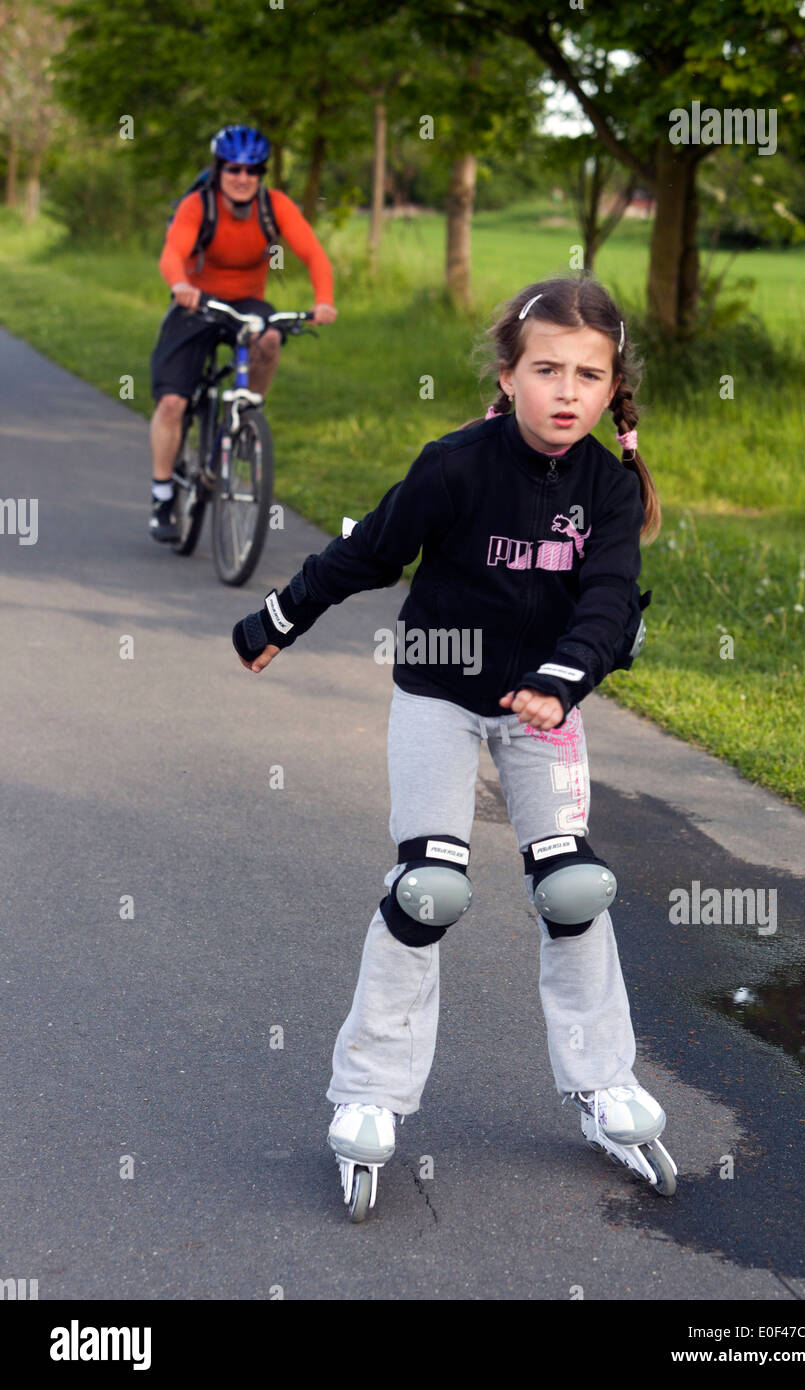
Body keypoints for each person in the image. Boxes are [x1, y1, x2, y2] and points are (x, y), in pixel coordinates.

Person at [232, 274, 671, 1203]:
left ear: (611, 389)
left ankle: (601, 1080)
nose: (565, 391)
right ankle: (371, 1095)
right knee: (429, 887)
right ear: (507, 374)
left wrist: (561, 681)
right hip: (437, 691)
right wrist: (279, 615)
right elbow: (370, 551)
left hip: (543, 707)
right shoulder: (455, 464)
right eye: (545, 369)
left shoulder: (609, 489)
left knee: (574, 885)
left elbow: (606, 601)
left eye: (587, 376)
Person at [148, 124, 337, 542]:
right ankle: (162, 495)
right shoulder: (199, 205)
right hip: (196, 301)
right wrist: (180, 285)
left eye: (253, 170)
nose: (242, 177)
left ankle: (248, 409)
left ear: (261, 174)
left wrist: (323, 299)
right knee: (173, 402)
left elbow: (313, 253)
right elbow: (172, 253)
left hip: (247, 303)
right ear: (219, 169)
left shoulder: (275, 206)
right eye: (233, 168)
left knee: (269, 337)